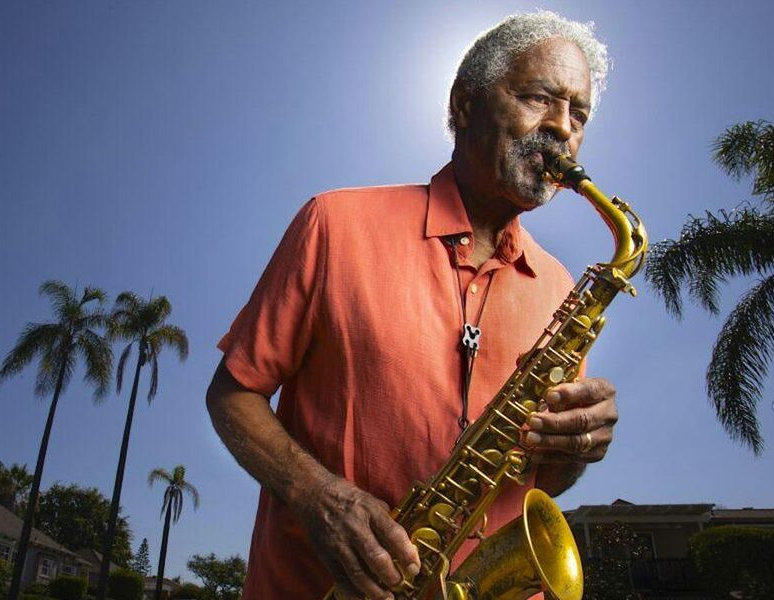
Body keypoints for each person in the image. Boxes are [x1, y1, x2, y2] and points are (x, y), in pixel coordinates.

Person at [206, 11, 618, 600]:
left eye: (578, 114)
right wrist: (317, 495)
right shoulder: (335, 224)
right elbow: (231, 393)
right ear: (466, 104)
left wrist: (577, 447)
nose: (562, 129)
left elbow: (542, 477)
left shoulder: (561, 289)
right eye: (538, 98)